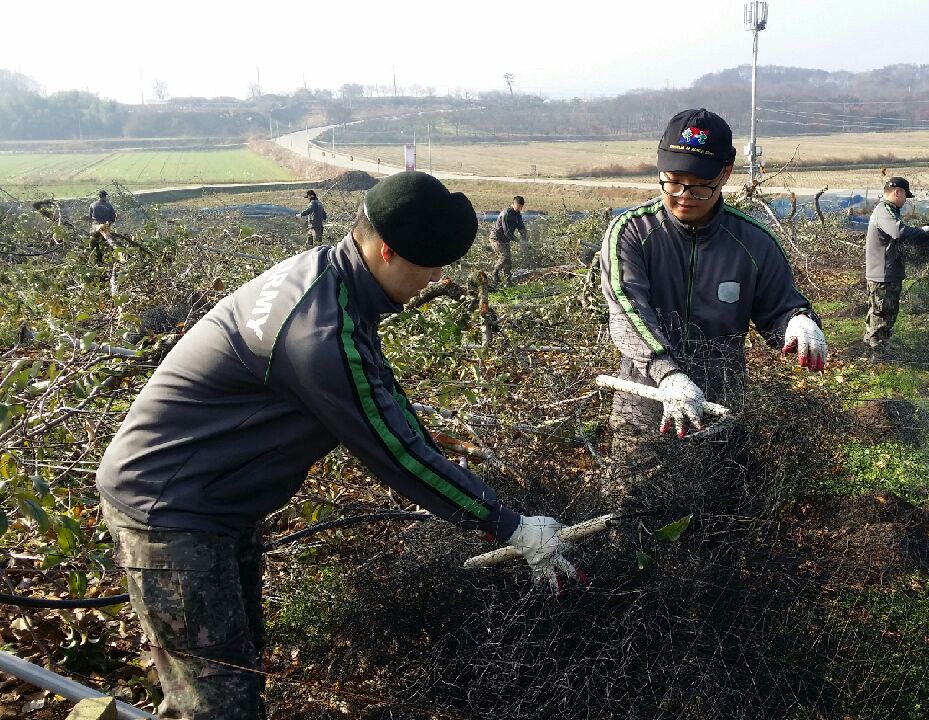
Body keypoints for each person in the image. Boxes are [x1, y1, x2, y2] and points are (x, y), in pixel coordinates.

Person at [96, 172, 579, 720]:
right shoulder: (318, 334)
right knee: (215, 700)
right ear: (387, 251)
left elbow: (385, 403)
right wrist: (507, 524)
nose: (437, 278)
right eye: (430, 265)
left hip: (212, 502)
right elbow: (394, 451)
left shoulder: (328, 276)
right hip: (168, 509)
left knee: (237, 666)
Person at [599, 108, 826, 440]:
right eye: (673, 182)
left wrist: (797, 322)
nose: (684, 197)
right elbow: (627, 311)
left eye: (700, 187)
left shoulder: (753, 242)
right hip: (645, 404)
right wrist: (668, 374)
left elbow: (780, 308)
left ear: (726, 173)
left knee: (721, 470)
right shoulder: (632, 232)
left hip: (720, 405)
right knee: (636, 471)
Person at [862, 176, 929, 359]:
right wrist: (924, 231)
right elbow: (899, 232)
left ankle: (876, 349)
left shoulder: (889, 210)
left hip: (888, 273)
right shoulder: (884, 210)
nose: (905, 200)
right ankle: (877, 355)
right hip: (883, 275)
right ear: (897, 192)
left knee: (886, 314)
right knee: (882, 315)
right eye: (905, 196)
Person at [489, 195, 528, 287]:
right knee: (505, 257)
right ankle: (495, 273)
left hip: (505, 240)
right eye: (518, 206)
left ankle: (508, 281)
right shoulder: (506, 214)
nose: (519, 208)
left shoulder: (518, 215)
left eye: (521, 207)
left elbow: (521, 227)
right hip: (497, 238)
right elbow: (507, 232)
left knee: (509, 261)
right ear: (513, 204)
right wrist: (519, 241)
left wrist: (525, 239)